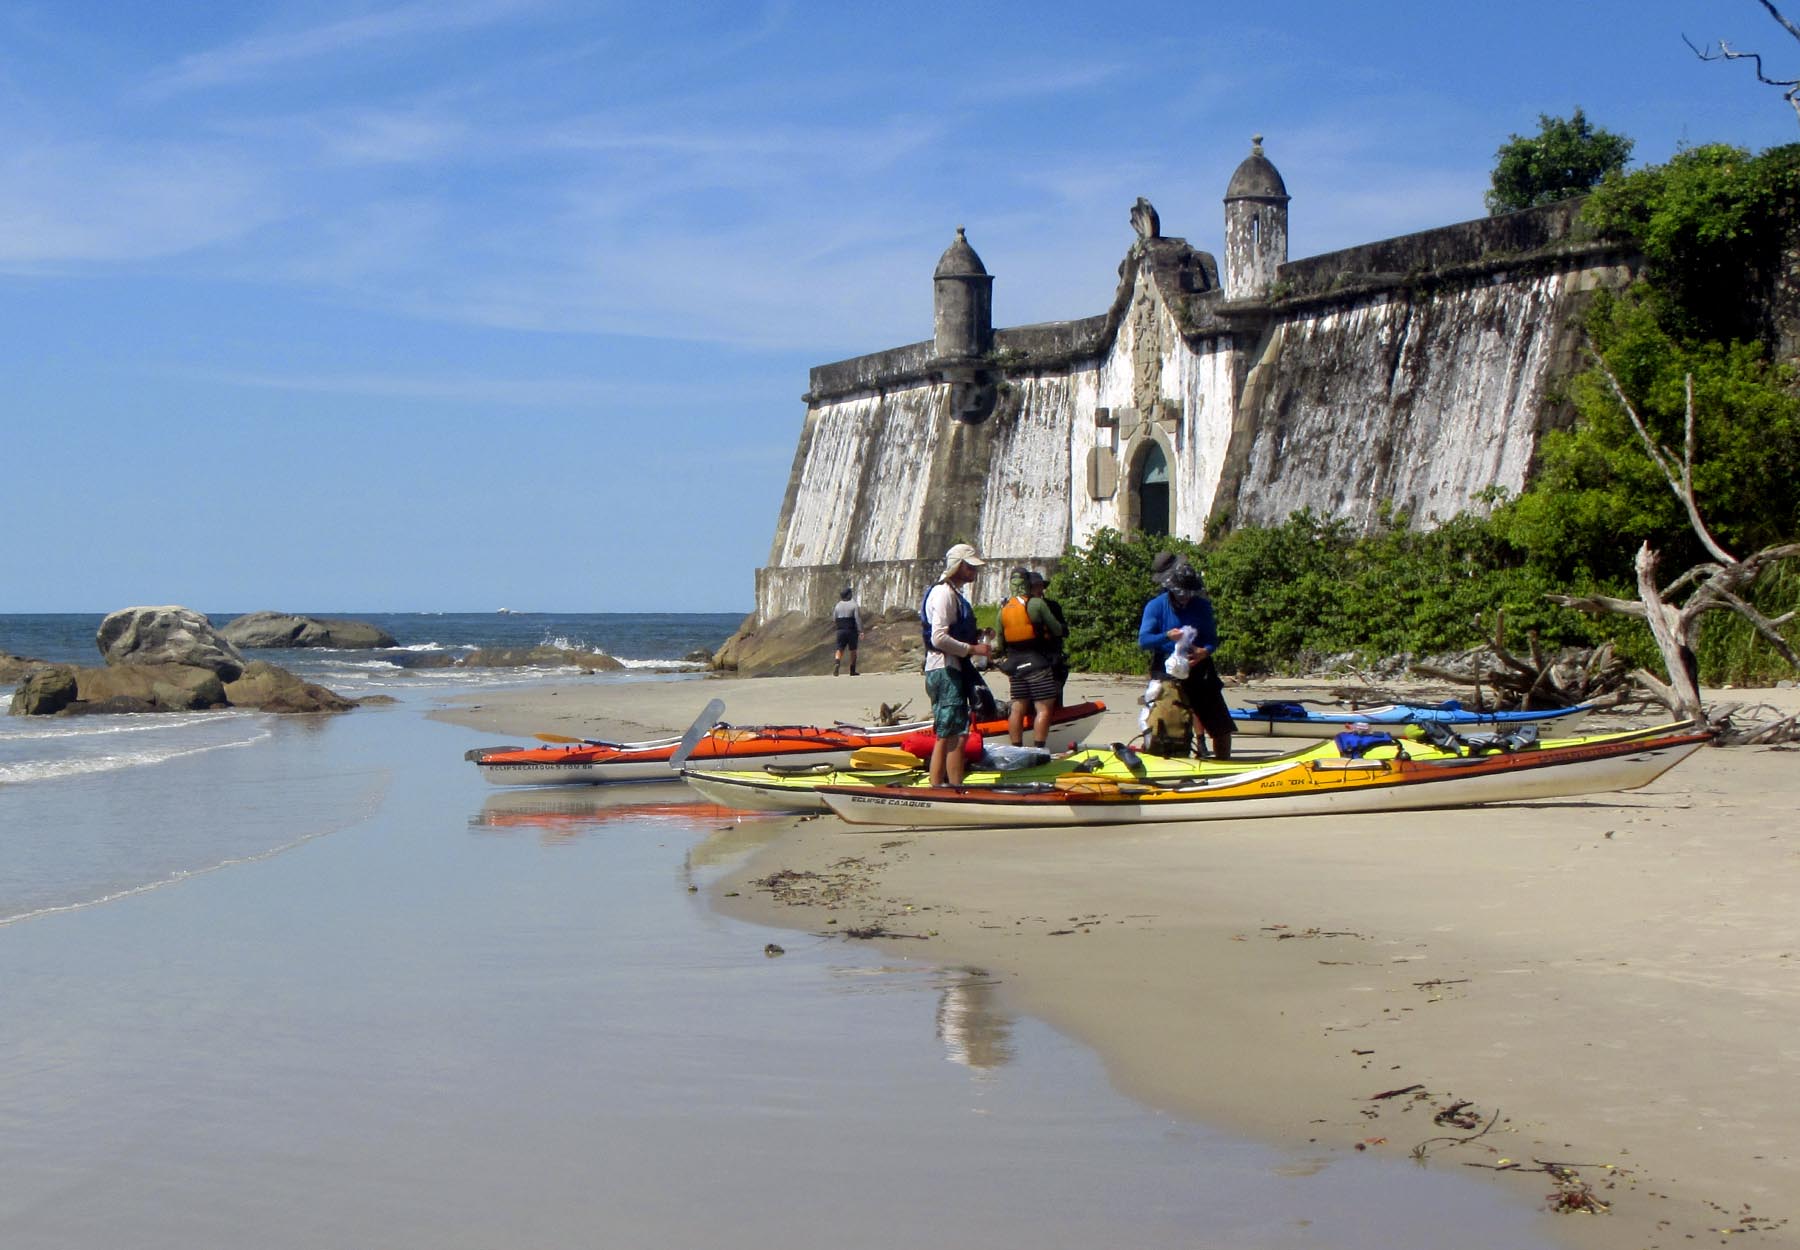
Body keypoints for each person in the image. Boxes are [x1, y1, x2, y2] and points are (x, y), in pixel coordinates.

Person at [1137, 555, 1232, 759]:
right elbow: (1144, 640)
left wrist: (1204, 651)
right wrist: (1166, 636)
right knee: (1167, 723)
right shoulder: (1155, 606)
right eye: (1181, 595)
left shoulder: (1202, 606)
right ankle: (1167, 759)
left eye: (1188, 595)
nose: (1185, 599)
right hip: (1167, 671)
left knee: (1221, 727)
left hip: (1200, 668)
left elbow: (1211, 640)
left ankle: (1224, 765)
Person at [920, 542, 992, 785]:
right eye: (970, 567)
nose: (974, 572)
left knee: (949, 733)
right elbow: (938, 638)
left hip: (945, 669)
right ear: (958, 567)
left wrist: (977, 635)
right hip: (945, 669)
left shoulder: (951, 592)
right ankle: (950, 788)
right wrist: (972, 648)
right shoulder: (944, 593)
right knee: (952, 735)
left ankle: (941, 786)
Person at [992, 567, 1065, 747]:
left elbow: (1000, 645)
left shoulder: (1003, 611)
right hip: (1037, 662)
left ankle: (1016, 747)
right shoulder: (1037, 604)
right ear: (1027, 584)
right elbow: (1056, 629)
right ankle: (1039, 748)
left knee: (1017, 707)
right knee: (1044, 707)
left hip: (1015, 666)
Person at [1030, 570, 1069, 707]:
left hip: (1052, 658)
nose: (1039, 590)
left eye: (1041, 586)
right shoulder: (1021, 609)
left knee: (1055, 697)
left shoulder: (1053, 606)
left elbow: (1064, 630)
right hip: (1032, 660)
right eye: (1035, 587)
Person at [832, 586, 861, 676]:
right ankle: (852, 670)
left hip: (840, 630)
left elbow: (834, 618)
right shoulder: (854, 605)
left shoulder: (837, 605)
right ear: (849, 595)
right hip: (851, 630)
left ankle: (837, 662)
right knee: (853, 650)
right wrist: (860, 631)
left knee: (839, 648)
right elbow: (857, 619)